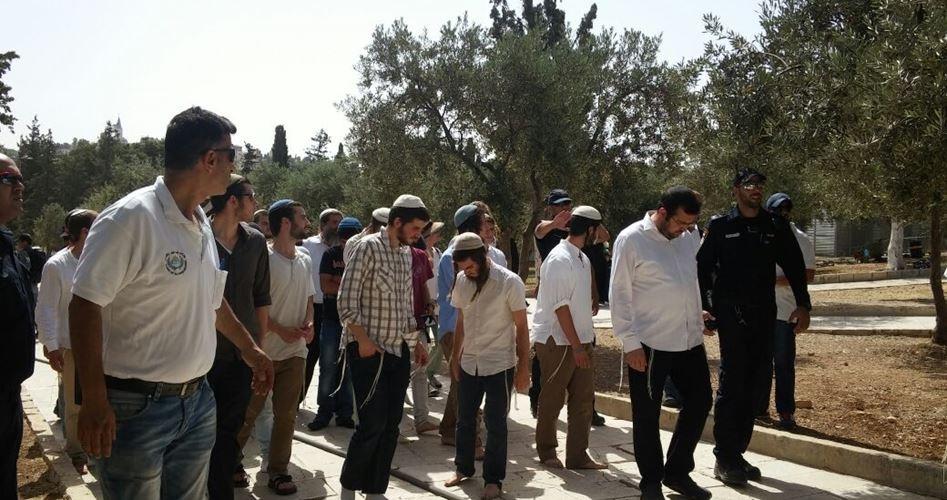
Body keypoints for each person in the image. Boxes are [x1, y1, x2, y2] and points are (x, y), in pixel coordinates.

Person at [69, 107, 273, 500]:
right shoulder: (129, 219)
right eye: (231, 155)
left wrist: (250, 350)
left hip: (197, 402)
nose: (234, 165)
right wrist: (93, 400)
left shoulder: (200, 222)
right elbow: (84, 306)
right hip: (135, 409)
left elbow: (212, 299)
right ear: (209, 159)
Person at [697, 168, 811, 486]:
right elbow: (702, 269)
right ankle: (724, 456)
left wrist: (804, 305)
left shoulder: (775, 225)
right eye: (748, 184)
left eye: (759, 184)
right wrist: (705, 307)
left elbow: (794, 266)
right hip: (731, 316)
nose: (755, 189)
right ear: (736, 190)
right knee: (733, 383)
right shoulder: (721, 226)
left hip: (765, 315)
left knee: (758, 384)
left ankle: (737, 453)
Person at [610, 187, 713, 500]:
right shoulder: (631, 239)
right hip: (649, 344)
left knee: (700, 402)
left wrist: (698, 313)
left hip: (688, 339)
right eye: (680, 222)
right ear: (663, 212)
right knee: (647, 414)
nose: (685, 229)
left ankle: (677, 472)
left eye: (690, 224)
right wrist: (630, 342)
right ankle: (651, 482)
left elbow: (688, 282)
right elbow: (619, 294)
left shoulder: (688, 237)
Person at [338, 195, 430, 499]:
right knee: (371, 425)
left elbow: (405, 306)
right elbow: (346, 301)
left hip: (397, 351)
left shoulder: (406, 254)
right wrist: (363, 341)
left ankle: (375, 491)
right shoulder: (366, 247)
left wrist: (416, 343)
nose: (418, 234)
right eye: (415, 228)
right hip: (368, 352)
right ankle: (348, 489)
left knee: (391, 426)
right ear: (397, 222)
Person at [235, 199, 314, 495]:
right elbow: (252, 304)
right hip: (263, 351)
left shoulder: (305, 258)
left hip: (295, 353)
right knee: (249, 412)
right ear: (285, 223)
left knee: (287, 415)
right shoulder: (264, 258)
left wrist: (310, 323)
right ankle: (230, 462)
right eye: (302, 216)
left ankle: (278, 471)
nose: (306, 222)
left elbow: (309, 298)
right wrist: (280, 329)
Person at [443, 233, 530, 500]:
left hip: (499, 364)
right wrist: (455, 357)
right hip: (470, 362)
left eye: (470, 266)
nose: (467, 272)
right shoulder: (462, 280)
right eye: (462, 268)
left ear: (482, 257)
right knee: (465, 419)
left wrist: (524, 368)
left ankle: (493, 480)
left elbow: (522, 327)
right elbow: (461, 321)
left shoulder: (509, 282)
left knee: (496, 423)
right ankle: (463, 468)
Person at [205, 175, 272, 498]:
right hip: (202, 354)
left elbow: (261, 297)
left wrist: (258, 350)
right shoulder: (197, 237)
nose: (256, 203)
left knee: (229, 430)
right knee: (199, 433)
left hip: (241, 356)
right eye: (251, 196)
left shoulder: (255, 242)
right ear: (233, 201)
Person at [531, 205, 607, 470]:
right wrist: (576, 347)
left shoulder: (581, 258)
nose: (600, 233)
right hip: (558, 341)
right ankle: (547, 452)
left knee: (583, 399)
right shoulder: (559, 258)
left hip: (580, 340)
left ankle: (577, 455)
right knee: (552, 399)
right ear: (590, 229)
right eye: (598, 228)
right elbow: (560, 307)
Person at [36, 208, 98, 475]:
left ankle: (98, 449)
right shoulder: (57, 266)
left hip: (104, 344)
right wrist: (51, 346)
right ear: (85, 233)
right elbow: (46, 308)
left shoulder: (101, 261)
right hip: (72, 346)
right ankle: (77, 453)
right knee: (74, 404)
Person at [757, 193, 816, 430]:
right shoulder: (759, 233)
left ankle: (785, 412)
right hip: (760, 310)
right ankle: (759, 409)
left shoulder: (800, 238)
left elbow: (808, 274)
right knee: (761, 363)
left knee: (783, 364)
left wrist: (771, 281)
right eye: (777, 210)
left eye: (785, 210)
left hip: (786, 311)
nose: (781, 214)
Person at [437, 203, 489, 450]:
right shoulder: (452, 256)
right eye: (483, 221)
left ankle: (449, 429)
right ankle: (468, 438)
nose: (487, 225)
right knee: (466, 382)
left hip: (469, 327)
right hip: (455, 329)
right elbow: (465, 294)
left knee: (462, 382)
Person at [0, 154, 35, 498]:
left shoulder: (6, 245)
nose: (20, 186)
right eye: (9, 179)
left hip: (8, 398)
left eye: (21, 179)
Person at [307, 217, 361, 431]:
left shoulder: (362, 256)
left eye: (351, 238)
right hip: (331, 319)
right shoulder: (331, 255)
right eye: (344, 238)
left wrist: (338, 284)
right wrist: (349, 287)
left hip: (353, 322)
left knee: (349, 369)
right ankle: (324, 411)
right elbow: (325, 286)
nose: (347, 242)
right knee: (328, 366)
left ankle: (345, 413)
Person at [301, 208, 343, 404]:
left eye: (340, 223)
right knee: (308, 358)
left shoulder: (344, 250)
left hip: (335, 309)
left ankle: (330, 405)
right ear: (323, 225)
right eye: (334, 222)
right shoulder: (307, 246)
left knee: (333, 361)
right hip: (313, 309)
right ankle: (297, 401)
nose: (337, 227)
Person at [407, 236, 437, 435]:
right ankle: (396, 425)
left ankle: (422, 420)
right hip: (397, 324)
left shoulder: (420, 256)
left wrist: (429, 305)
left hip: (418, 322)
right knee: (401, 372)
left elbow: (424, 285)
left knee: (420, 369)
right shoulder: (389, 256)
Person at [423, 221, 446, 395]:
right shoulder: (418, 252)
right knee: (427, 343)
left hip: (438, 308)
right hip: (424, 308)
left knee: (440, 343)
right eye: (436, 232)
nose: (439, 235)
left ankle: (428, 373)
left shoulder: (438, 253)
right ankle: (423, 378)